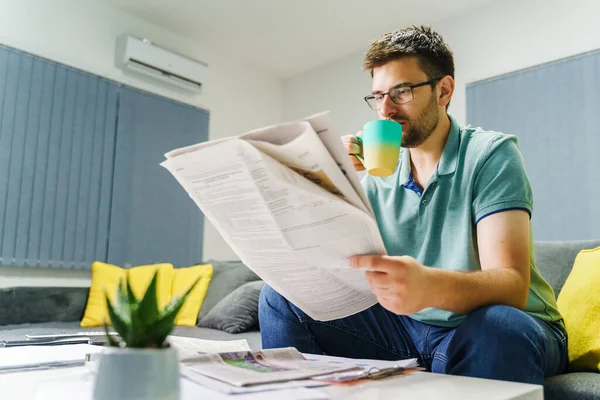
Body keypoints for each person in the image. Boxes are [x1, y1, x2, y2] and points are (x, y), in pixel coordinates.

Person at [258, 26, 567, 385]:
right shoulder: (378, 173)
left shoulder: (490, 154)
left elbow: (511, 286)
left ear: (444, 89)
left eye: (401, 92)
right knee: (279, 297)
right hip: (409, 329)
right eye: (378, 96)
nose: (385, 110)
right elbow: (343, 268)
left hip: (499, 326)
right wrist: (330, 183)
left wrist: (430, 287)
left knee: (499, 326)